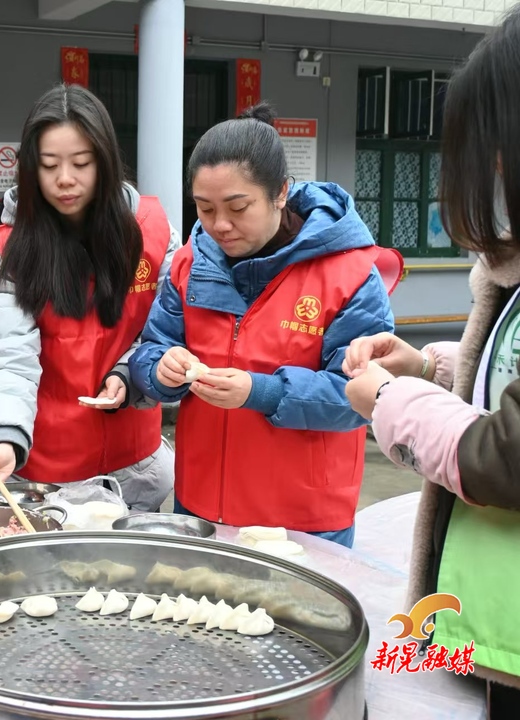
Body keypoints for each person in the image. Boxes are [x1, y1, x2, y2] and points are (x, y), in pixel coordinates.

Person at [344, 7, 520, 708]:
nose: (493, 168)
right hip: (492, 624)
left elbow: (505, 455)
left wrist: (391, 403)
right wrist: (432, 367)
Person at [129, 103, 394, 546]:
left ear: (281, 193)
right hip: (201, 507)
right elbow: (152, 347)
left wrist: (262, 392)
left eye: (238, 207)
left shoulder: (348, 275)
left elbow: (359, 398)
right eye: (204, 208)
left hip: (302, 519)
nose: (220, 225)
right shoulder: (189, 265)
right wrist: (159, 370)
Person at [0, 84, 179, 512]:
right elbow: (6, 355)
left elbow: (167, 327)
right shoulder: (5, 253)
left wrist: (127, 372)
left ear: (106, 161)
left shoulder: (154, 232)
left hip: (135, 472)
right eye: (49, 166)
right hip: (41, 478)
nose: (65, 179)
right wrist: (5, 437)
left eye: (81, 163)